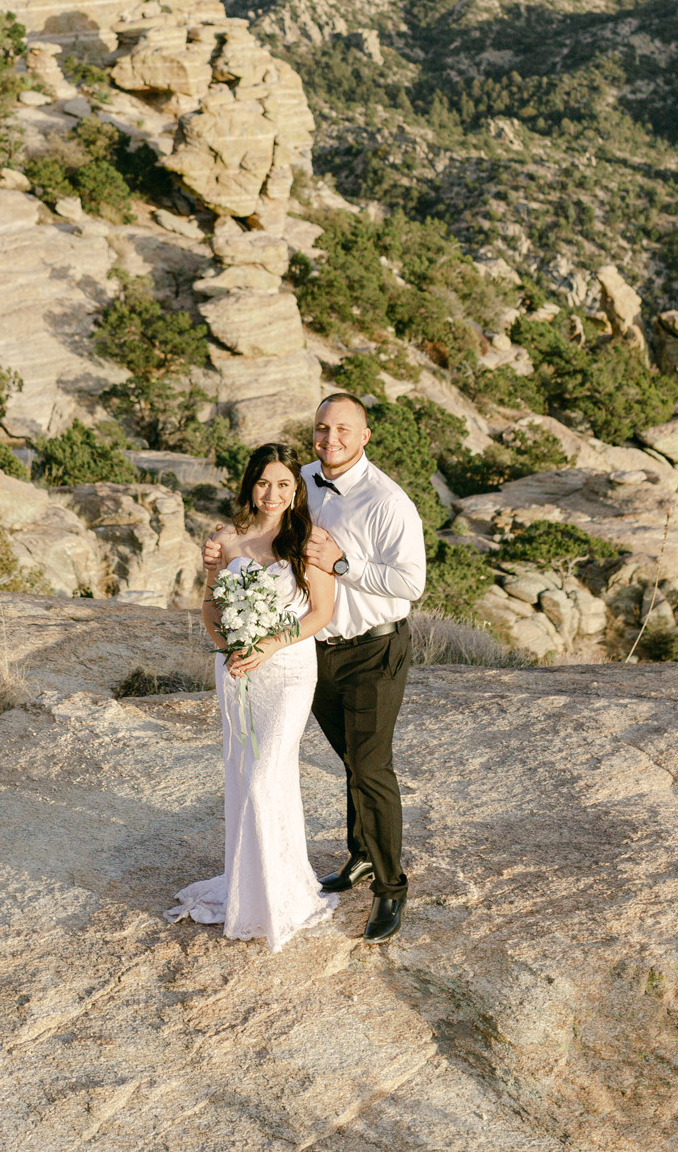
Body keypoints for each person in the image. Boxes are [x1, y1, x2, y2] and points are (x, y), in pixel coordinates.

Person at [167, 444, 344, 952]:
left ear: (296, 489)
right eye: (264, 483)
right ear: (250, 485)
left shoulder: (309, 540)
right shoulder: (225, 540)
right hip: (238, 672)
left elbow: (320, 613)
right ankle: (249, 892)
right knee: (244, 775)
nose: (273, 494)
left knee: (268, 776)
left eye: (284, 484)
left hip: (287, 670)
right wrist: (230, 646)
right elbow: (210, 605)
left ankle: (281, 896)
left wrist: (268, 644)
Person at [302, 392, 427, 943]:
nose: (330, 439)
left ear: (365, 436)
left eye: (343, 430)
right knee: (352, 760)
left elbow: (411, 583)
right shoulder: (302, 482)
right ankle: (360, 856)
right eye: (322, 428)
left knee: (372, 769)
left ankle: (390, 888)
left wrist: (343, 564)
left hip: (374, 651)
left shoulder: (388, 502)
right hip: (316, 649)